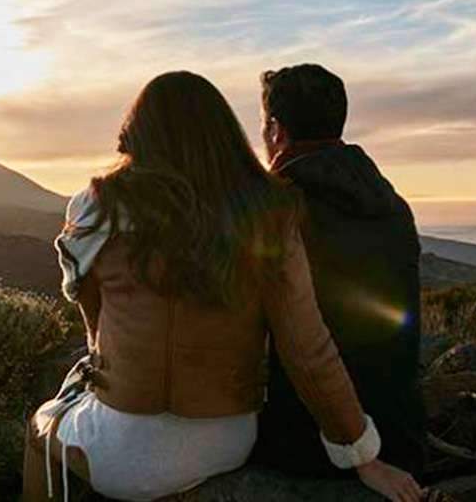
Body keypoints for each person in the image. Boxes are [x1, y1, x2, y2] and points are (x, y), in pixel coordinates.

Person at [23, 71, 422, 502]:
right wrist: (363, 457)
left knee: (40, 426)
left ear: (138, 132)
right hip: (226, 441)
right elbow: (308, 348)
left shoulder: (95, 207)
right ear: (226, 134)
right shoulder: (268, 211)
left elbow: (94, 324)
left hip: (122, 447)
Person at [252, 64, 426, 480]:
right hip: (400, 434)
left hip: (306, 444)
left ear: (275, 131)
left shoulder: (275, 210)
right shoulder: (390, 203)